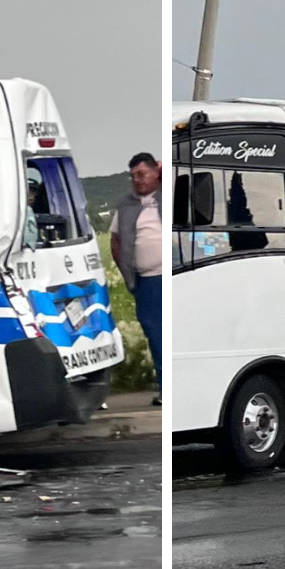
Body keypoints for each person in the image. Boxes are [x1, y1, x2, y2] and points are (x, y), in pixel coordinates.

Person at [110, 152, 162, 405]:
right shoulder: (126, 207)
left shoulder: (168, 196)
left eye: (142, 174)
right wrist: (127, 274)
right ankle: (165, 387)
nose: (137, 180)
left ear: (156, 173)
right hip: (146, 282)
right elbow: (116, 241)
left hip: (173, 276)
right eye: (133, 176)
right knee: (156, 334)